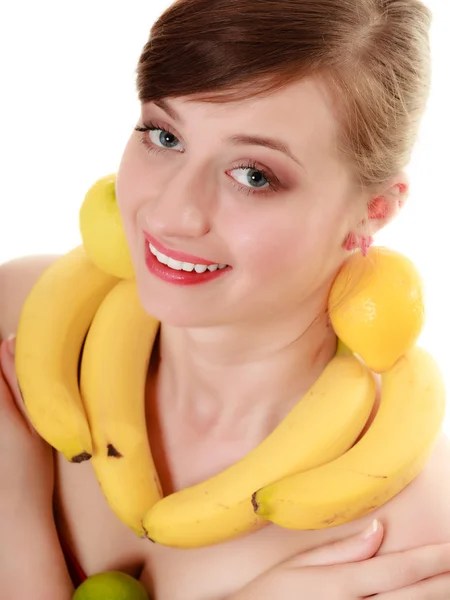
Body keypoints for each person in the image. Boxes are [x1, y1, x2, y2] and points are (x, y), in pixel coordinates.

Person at [1, 0, 450, 597]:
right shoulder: (19, 316)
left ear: (374, 211)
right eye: (164, 136)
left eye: (253, 175)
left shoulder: (411, 535)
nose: (171, 213)